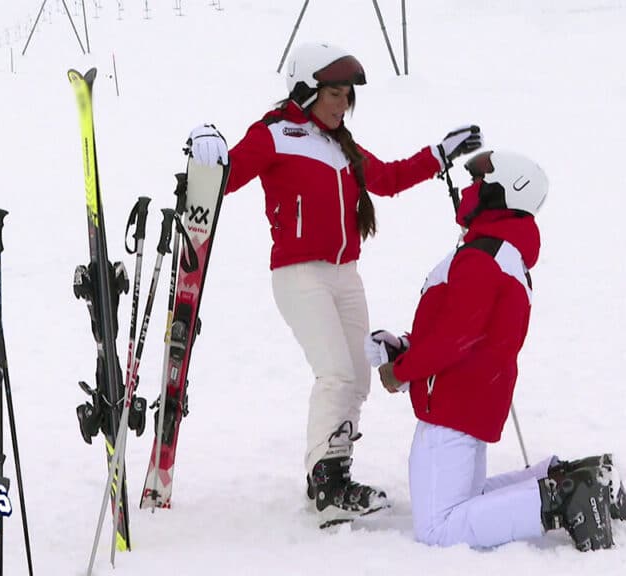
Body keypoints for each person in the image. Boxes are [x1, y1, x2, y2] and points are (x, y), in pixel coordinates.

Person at [186, 41, 484, 528]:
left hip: (345, 274)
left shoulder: (340, 144)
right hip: (300, 274)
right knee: (336, 373)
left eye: (347, 95)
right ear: (305, 91)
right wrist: (206, 148)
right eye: (333, 93)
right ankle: (328, 485)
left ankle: (332, 474)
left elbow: (387, 178)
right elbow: (227, 175)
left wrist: (439, 155)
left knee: (359, 378)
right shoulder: (275, 133)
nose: (342, 103)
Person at [366, 150, 626, 551]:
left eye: (477, 182)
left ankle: (563, 497)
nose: (468, 189)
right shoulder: (500, 252)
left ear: (502, 192)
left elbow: (458, 336)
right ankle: (574, 476)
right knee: (462, 504)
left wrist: (401, 370)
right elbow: (468, 331)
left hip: (452, 405)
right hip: (471, 396)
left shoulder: (482, 256)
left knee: (438, 528)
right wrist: (405, 348)